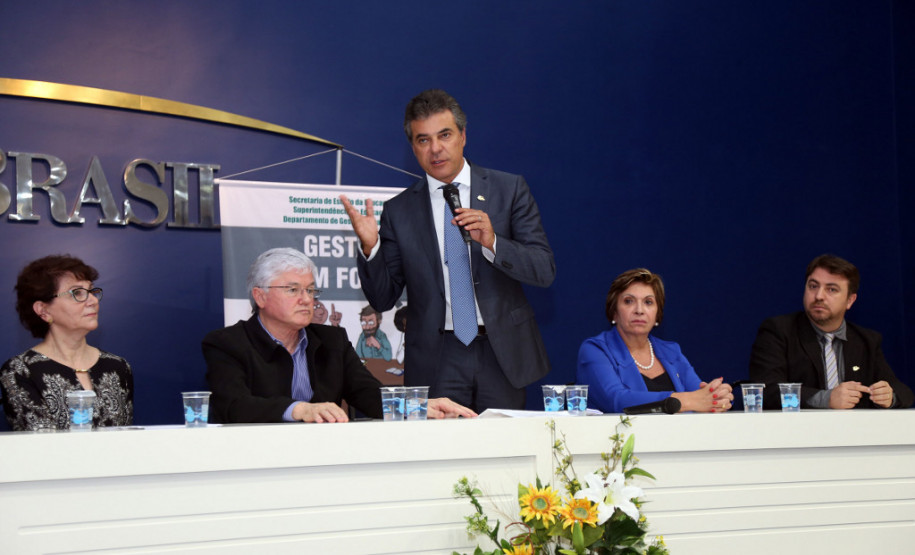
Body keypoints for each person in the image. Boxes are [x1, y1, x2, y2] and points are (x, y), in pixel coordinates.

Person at [340, 89, 555, 412]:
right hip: (437, 357)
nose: (436, 149)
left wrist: (494, 242)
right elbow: (383, 298)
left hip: (502, 353)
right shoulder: (399, 211)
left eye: (444, 135)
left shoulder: (508, 190)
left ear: (463, 136)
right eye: (423, 140)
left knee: (503, 456)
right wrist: (371, 248)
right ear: (413, 147)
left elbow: (543, 269)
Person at [202, 248, 476, 423]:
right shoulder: (227, 344)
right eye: (293, 290)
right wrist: (299, 410)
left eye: (310, 291)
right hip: (257, 460)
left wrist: (417, 406)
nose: (306, 300)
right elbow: (233, 406)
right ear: (260, 296)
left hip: (327, 457)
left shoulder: (331, 341)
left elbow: (368, 394)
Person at [748, 254, 914, 410]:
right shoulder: (779, 331)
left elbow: (903, 392)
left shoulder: (866, 340)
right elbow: (767, 391)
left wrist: (889, 396)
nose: (819, 296)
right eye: (813, 286)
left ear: (850, 300)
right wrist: (826, 398)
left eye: (831, 289)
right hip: (796, 434)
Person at [0, 255, 133, 431]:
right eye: (77, 293)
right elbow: (38, 449)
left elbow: (127, 442)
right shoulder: (20, 371)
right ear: (43, 310)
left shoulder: (118, 367)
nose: (93, 301)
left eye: (92, 291)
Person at [576, 268, 733, 413]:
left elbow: (701, 397)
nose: (639, 310)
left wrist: (717, 397)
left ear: (657, 315)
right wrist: (684, 400)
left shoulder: (671, 351)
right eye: (629, 301)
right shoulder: (595, 350)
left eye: (648, 302)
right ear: (614, 312)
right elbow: (616, 400)